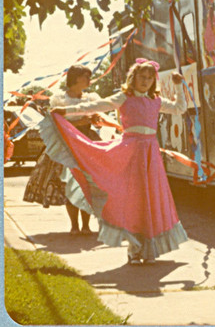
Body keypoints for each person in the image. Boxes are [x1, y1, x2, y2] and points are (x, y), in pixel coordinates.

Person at [41, 58, 188, 265]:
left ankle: (149, 248)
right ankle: (134, 248)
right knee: (133, 200)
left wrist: (178, 85)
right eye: (141, 77)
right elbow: (95, 105)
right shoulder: (124, 98)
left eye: (149, 78)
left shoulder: (155, 100)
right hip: (128, 154)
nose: (145, 81)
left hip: (150, 155)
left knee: (150, 199)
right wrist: (66, 111)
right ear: (133, 77)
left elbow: (180, 108)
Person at [23, 65, 102, 235]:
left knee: (86, 186)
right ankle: (75, 225)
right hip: (66, 147)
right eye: (85, 76)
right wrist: (80, 123)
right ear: (75, 78)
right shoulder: (60, 99)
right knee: (70, 186)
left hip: (86, 145)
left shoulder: (91, 98)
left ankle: (86, 226)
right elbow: (56, 125)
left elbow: (96, 119)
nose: (89, 80)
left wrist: (95, 119)